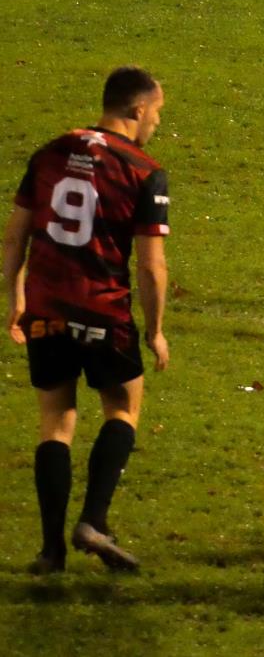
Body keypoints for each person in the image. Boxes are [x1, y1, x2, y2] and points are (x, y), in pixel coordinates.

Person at [3, 66, 170, 574]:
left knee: (55, 422)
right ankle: (94, 520)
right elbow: (151, 266)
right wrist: (155, 330)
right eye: (157, 113)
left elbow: (15, 236)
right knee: (123, 408)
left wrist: (15, 298)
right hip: (103, 308)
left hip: (46, 308)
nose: (157, 123)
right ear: (138, 109)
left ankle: (50, 550)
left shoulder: (50, 152)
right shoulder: (143, 170)